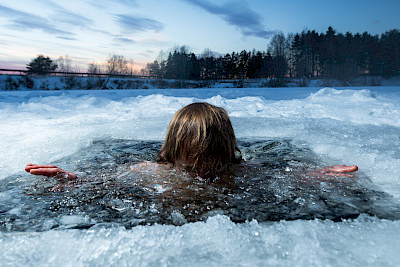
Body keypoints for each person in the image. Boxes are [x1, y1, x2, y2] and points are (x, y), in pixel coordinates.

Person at [25, 102, 358, 181]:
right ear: (172, 153)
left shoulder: (239, 170)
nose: (203, 170)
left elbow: (278, 176)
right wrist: (74, 180)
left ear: (227, 152)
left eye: (211, 159)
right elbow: (108, 180)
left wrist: (316, 175)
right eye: (192, 160)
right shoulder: (155, 171)